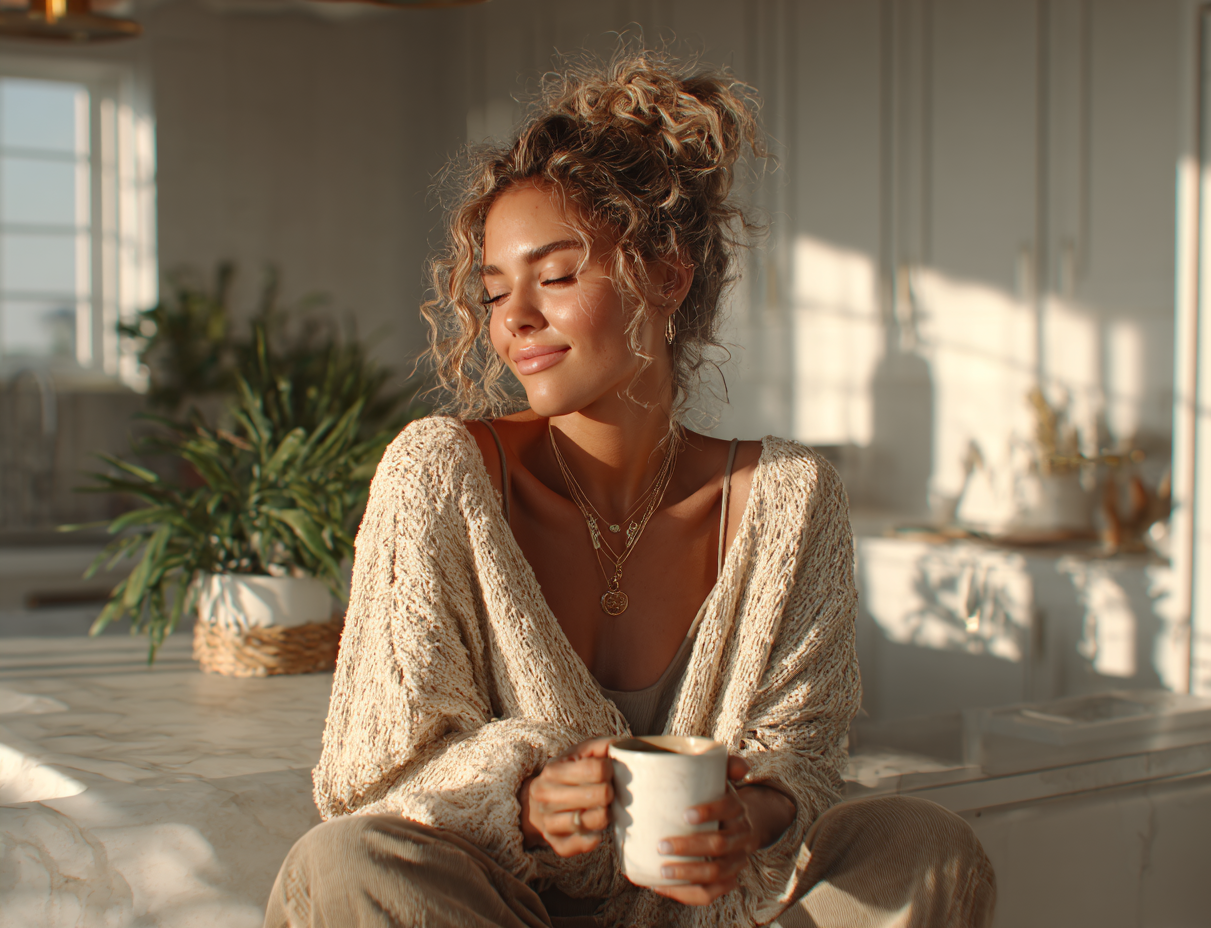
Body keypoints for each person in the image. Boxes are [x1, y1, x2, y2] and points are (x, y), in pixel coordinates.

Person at [265, 48, 995, 928]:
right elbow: (368, 780)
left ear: (667, 275)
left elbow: (797, 758)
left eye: (558, 276)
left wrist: (747, 817)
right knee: (344, 863)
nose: (515, 320)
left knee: (924, 846)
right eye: (495, 292)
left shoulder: (791, 498)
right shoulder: (439, 474)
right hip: (501, 912)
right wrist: (520, 797)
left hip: (701, 916)